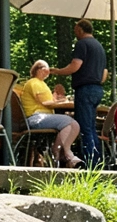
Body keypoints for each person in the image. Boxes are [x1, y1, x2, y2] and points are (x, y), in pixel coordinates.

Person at [48, 18, 106, 168]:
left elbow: (75, 66)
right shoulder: (99, 47)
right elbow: (104, 74)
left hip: (85, 89)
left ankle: (91, 164)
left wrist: (58, 71)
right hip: (97, 89)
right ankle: (98, 160)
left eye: (75, 31)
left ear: (80, 29)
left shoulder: (82, 44)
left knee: (84, 127)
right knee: (92, 126)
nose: (75, 34)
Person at [18, 60, 82, 168]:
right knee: (69, 122)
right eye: (48, 69)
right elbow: (45, 103)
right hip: (36, 117)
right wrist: (61, 101)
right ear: (39, 69)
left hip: (45, 116)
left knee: (74, 125)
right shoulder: (34, 82)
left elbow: (51, 101)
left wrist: (58, 98)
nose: (49, 72)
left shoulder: (42, 84)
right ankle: (61, 153)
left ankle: (61, 153)